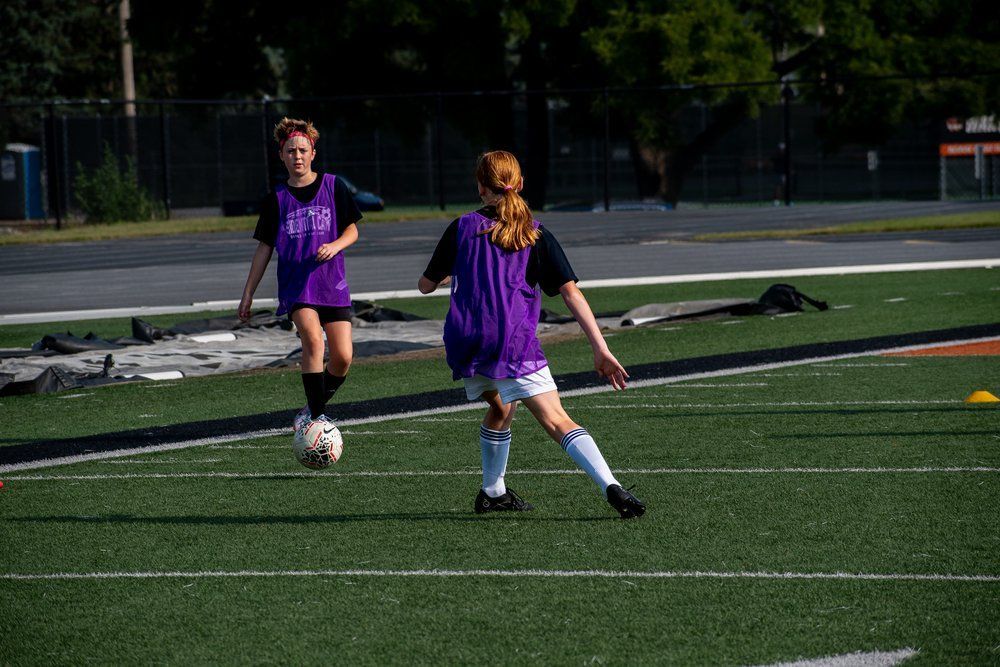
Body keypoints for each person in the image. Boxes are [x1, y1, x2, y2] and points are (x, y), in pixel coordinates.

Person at [418, 150, 645, 519]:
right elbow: (571, 293)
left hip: (468, 342)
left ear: (480, 187)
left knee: (500, 405)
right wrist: (600, 348)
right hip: (511, 343)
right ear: (520, 184)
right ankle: (612, 487)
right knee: (556, 418)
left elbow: (425, 286)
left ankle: (493, 492)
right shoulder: (534, 233)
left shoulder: (460, 228)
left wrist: (453, 274)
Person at [238, 117, 362, 431]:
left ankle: (311, 407)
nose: (297, 156)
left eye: (302, 150)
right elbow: (264, 249)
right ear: (281, 156)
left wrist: (335, 245)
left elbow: (352, 231)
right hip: (298, 288)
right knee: (312, 341)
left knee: (344, 357)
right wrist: (248, 292)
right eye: (290, 150)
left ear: (313, 153)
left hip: (332, 285)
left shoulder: (334, 186)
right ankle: (317, 420)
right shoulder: (276, 200)